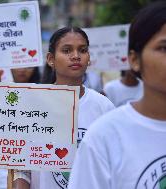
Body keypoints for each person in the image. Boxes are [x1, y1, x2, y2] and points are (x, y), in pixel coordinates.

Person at [68, 2, 166, 189]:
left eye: (82, 50)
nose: (75, 56)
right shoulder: (104, 138)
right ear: (135, 60)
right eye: (164, 48)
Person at [13, 26, 114, 189]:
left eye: (82, 50)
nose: (76, 56)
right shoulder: (31, 105)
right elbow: (22, 167)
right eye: (67, 51)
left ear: (89, 58)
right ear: (51, 59)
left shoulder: (104, 107)